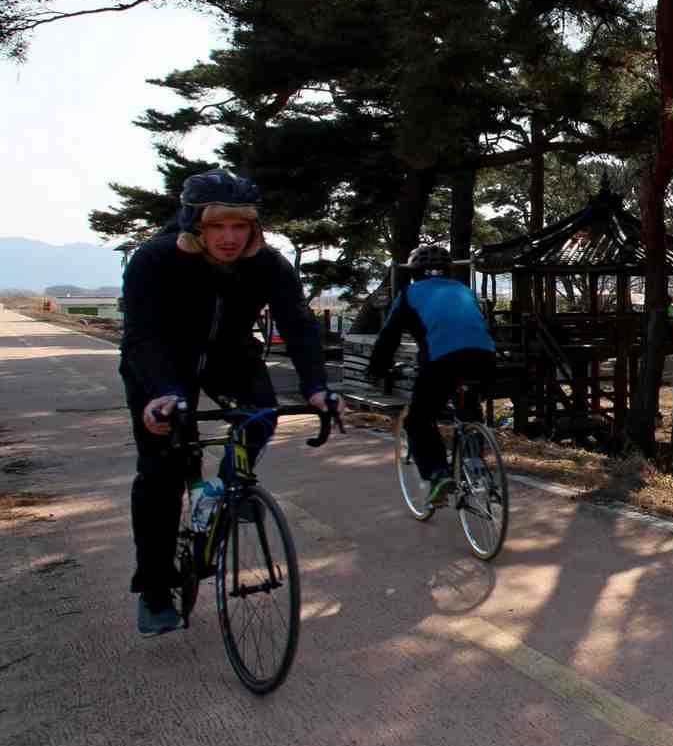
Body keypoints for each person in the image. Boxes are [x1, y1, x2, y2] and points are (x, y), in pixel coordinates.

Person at [120, 168, 337, 636]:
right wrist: (162, 394)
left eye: (240, 226)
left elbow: (298, 325)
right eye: (217, 226)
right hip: (160, 361)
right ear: (194, 224)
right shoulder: (154, 259)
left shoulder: (268, 263)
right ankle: (156, 587)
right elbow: (141, 335)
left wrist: (317, 386)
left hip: (230, 357)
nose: (229, 238)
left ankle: (226, 490)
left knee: (260, 417)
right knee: (160, 472)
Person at [366, 244, 496, 507]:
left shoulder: (410, 293)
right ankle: (475, 462)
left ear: (414, 272)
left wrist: (376, 370)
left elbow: (388, 337)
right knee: (468, 408)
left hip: (442, 360)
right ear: (447, 271)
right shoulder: (463, 290)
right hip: (485, 357)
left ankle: (438, 475)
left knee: (417, 419)